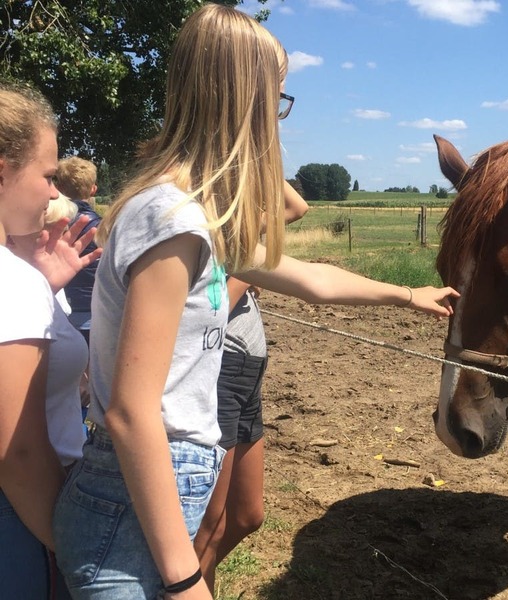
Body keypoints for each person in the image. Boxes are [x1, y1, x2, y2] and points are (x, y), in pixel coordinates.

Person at [52, 5, 458, 600]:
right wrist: (185, 576)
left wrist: (405, 294)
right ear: (244, 99)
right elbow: (133, 413)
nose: (279, 118)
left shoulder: (196, 219)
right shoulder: (175, 222)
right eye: (278, 99)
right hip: (132, 506)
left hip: (145, 496)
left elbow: (307, 277)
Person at [0, 83, 101, 599]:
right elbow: (16, 453)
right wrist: (73, 546)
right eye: (47, 175)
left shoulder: (21, 279)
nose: (54, 194)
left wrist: (43, 286)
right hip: (24, 518)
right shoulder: (9, 283)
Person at [194, 182, 308, 590]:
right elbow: (210, 310)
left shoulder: (236, 234)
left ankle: (182, 581)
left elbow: (297, 206)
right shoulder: (200, 232)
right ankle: (187, 585)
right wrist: (242, 277)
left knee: (247, 515)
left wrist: (261, 154)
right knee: (209, 524)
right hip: (223, 368)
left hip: (248, 370)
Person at [55, 156, 102, 343]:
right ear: (93, 189)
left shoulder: (50, 223)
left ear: (59, 188)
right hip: (95, 311)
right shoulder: (105, 227)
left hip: (58, 312)